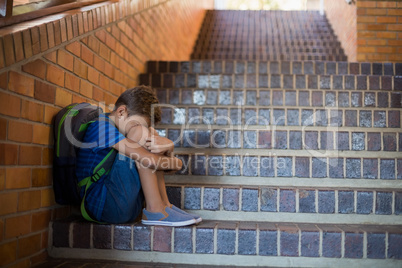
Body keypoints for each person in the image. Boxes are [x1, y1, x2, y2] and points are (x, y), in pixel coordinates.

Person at [76, 86, 201, 226]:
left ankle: (165, 206)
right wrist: (176, 159)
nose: (137, 128)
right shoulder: (101, 127)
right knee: (140, 133)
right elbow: (150, 160)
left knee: (151, 134)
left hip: (125, 203)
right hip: (104, 207)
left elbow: (161, 165)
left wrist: (168, 150)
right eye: (135, 123)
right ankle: (155, 210)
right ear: (121, 112)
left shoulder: (118, 126)